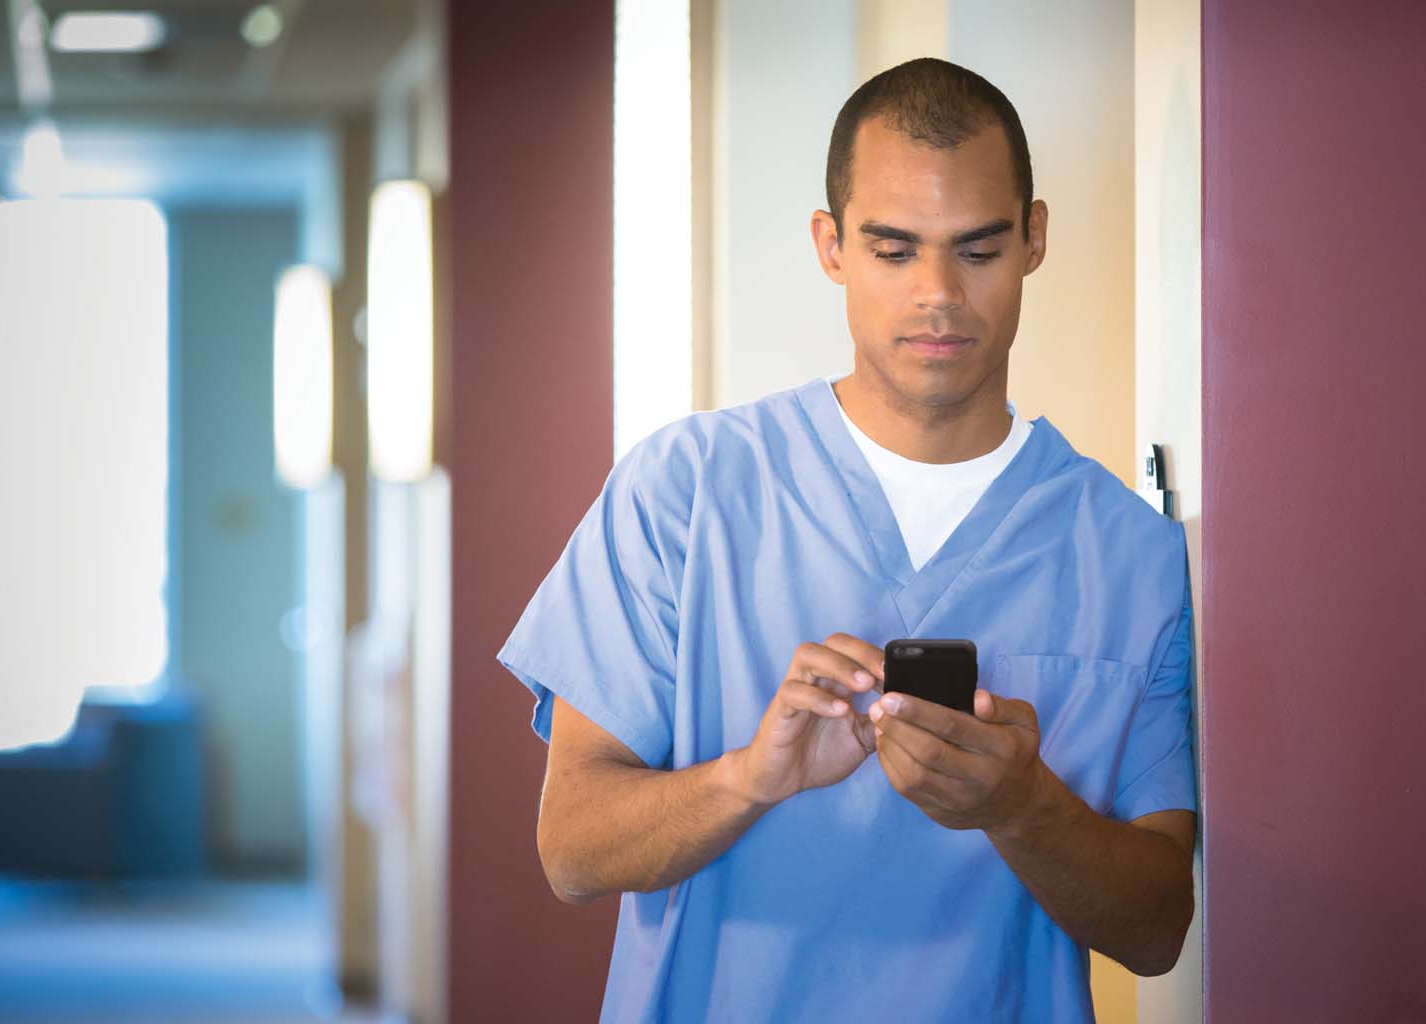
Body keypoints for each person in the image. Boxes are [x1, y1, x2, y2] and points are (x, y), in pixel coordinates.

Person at [498, 57, 1195, 1022]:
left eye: (979, 249)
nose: (939, 295)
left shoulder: (1133, 556)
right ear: (831, 246)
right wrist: (753, 776)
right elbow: (571, 850)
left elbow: (1160, 930)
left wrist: (1023, 806)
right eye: (894, 249)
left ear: (1035, 238)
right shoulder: (685, 493)